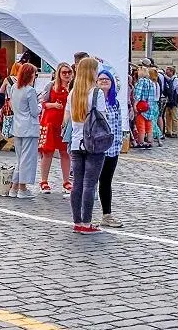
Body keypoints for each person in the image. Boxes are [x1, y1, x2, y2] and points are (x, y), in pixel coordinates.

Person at [67, 56, 108, 233]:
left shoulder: (72, 93)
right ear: (92, 71)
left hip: (76, 142)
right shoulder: (97, 93)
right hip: (94, 142)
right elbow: (102, 118)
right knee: (90, 184)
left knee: (77, 183)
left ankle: (77, 221)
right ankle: (86, 222)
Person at [94, 66, 126, 227]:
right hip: (98, 147)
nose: (104, 81)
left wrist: (119, 142)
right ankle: (83, 215)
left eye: (107, 79)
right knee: (91, 181)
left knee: (106, 181)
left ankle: (107, 215)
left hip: (112, 148)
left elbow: (118, 124)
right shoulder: (94, 100)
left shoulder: (115, 102)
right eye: (101, 79)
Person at [6, 63, 40, 199]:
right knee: (27, 159)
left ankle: (14, 188)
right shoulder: (30, 91)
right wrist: (41, 105)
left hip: (18, 126)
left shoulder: (14, 87)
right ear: (30, 75)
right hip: (29, 127)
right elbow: (34, 111)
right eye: (35, 74)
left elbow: (13, 106)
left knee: (20, 159)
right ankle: (22, 188)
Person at [38, 61, 73, 192]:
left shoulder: (73, 87)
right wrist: (53, 105)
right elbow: (42, 103)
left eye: (69, 72)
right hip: (51, 122)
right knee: (48, 152)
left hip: (65, 124)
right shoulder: (51, 86)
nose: (67, 75)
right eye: (64, 72)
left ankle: (66, 181)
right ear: (59, 73)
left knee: (65, 152)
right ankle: (44, 181)